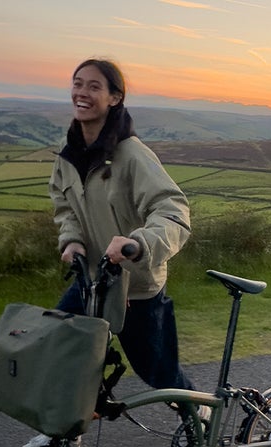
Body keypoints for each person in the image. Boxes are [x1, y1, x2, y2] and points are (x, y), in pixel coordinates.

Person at [48, 58, 202, 408]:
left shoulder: (132, 155)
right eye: (77, 83)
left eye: (93, 86)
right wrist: (71, 238)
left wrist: (138, 243)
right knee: (60, 348)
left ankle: (198, 413)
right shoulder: (69, 153)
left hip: (137, 287)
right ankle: (63, 435)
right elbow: (64, 203)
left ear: (115, 98)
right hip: (91, 278)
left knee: (160, 375)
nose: (81, 92)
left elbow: (173, 212)